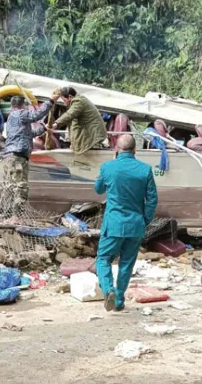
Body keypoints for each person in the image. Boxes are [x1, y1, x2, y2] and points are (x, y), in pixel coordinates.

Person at [94, 135, 158, 311]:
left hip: (113, 224)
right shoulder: (145, 169)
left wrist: (108, 167)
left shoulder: (107, 167)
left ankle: (108, 290)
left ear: (116, 149)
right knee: (127, 263)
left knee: (103, 259)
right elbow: (152, 200)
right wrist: (145, 219)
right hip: (136, 224)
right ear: (135, 150)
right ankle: (119, 301)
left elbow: (98, 189)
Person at [1, 94, 56, 212]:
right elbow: (36, 115)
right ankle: (17, 215)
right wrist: (51, 101)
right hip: (18, 156)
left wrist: (44, 128)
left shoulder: (11, 117)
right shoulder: (21, 113)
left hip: (10, 156)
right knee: (20, 187)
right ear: (23, 105)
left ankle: (7, 213)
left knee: (10, 186)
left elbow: (29, 134)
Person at [51, 87, 108, 155]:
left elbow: (70, 114)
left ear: (70, 97)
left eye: (64, 100)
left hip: (93, 138)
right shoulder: (79, 100)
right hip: (91, 136)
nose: (64, 103)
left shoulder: (78, 101)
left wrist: (56, 124)